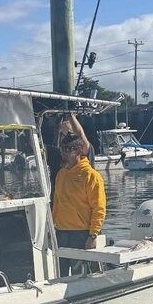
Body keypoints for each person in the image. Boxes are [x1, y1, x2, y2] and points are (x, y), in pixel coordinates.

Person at [52, 133, 106, 275]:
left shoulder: (91, 176)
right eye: (62, 149)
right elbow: (57, 203)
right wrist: (52, 228)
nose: (64, 153)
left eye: (68, 149)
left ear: (79, 151)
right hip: (61, 232)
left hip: (81, 234)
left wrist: (93, 235)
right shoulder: (61, 174)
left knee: (80, 274)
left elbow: (99, 208)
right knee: (61, 273)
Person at [45, 113, 96, 194]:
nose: (67, 138)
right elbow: (34, 143)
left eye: (70, 134)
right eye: (62, 135)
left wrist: (70, 114)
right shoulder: (55, 154)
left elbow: (80, 134)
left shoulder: (82, 152)